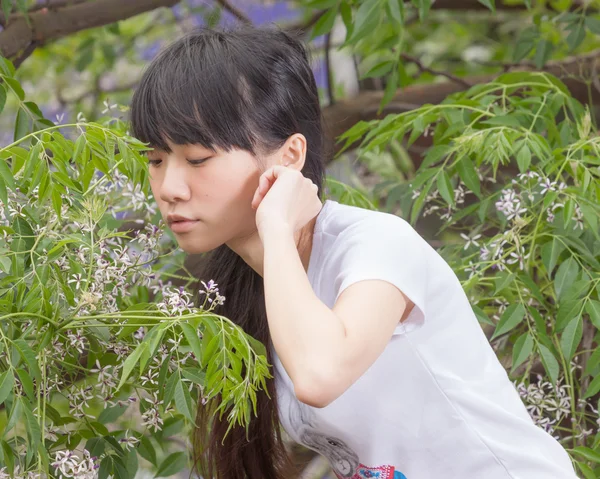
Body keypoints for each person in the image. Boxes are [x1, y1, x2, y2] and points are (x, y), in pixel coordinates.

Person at [129, 25, 579, 479]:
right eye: (155, 160)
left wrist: (277, 229)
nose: (169, 188)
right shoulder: (244, 288)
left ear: (289, 157)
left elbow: (319, 375)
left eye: (198, 159)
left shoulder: (376, 246)